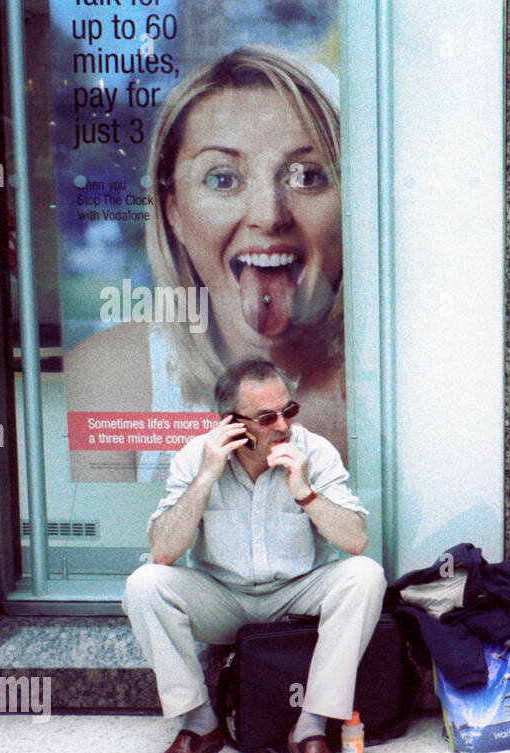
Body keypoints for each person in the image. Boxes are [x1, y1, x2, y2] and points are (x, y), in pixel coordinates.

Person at [65, 46, 346, 481]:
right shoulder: (111, 373)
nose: (269, 215)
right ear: (173, 209)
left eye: (307, 176)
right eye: (222, 178)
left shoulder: (393, 380)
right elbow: (111, 543)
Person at [122, 359, 384, 753]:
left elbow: (356, 540)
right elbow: (163, 550)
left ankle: (311, 728)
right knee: (144, 584)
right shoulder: (196, 456)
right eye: (267, 418)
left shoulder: (313, 451)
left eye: (289, 410)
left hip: (296, 594)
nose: (283, 426)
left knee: (365, 575)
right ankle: (199, 723)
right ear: (232, 424)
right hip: (223, 597)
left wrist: (303, 490)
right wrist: (206, 476)